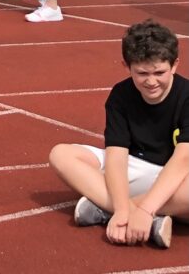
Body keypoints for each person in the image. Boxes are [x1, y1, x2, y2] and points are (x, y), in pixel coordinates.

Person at [49, 19, 189, 250]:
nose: (151, 81)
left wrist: (144, 209)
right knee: (61, 154)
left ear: (174, 65)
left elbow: (183, 159)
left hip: (177, 178)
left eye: (159, 72)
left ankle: (104, 210)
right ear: (127, 66)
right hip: (136, 170)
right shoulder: (121, 95)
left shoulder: (186, 96)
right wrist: (126, 211)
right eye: (142, 73)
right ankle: (142, 218)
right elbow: (116, 155)